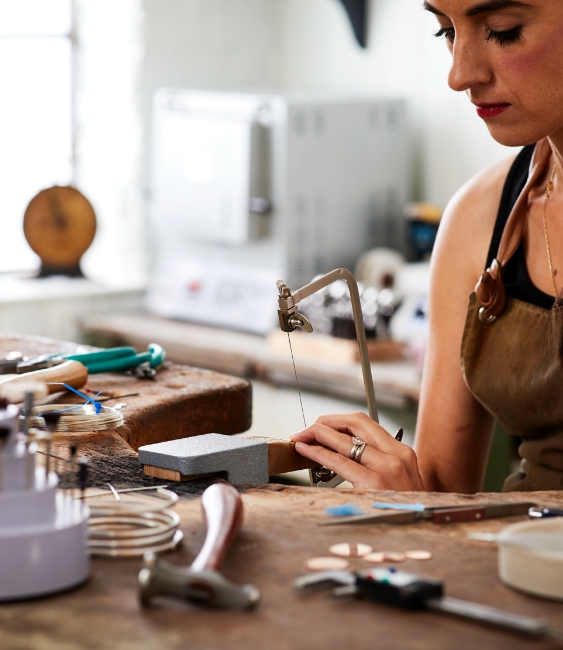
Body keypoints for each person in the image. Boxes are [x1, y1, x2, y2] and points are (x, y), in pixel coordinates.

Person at [290, 0, 563, 493]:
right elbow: (441, 495)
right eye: (446, 32)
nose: (459, 75)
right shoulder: (479, 219)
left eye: (502, 30)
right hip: (504, 557)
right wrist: (401, 488)